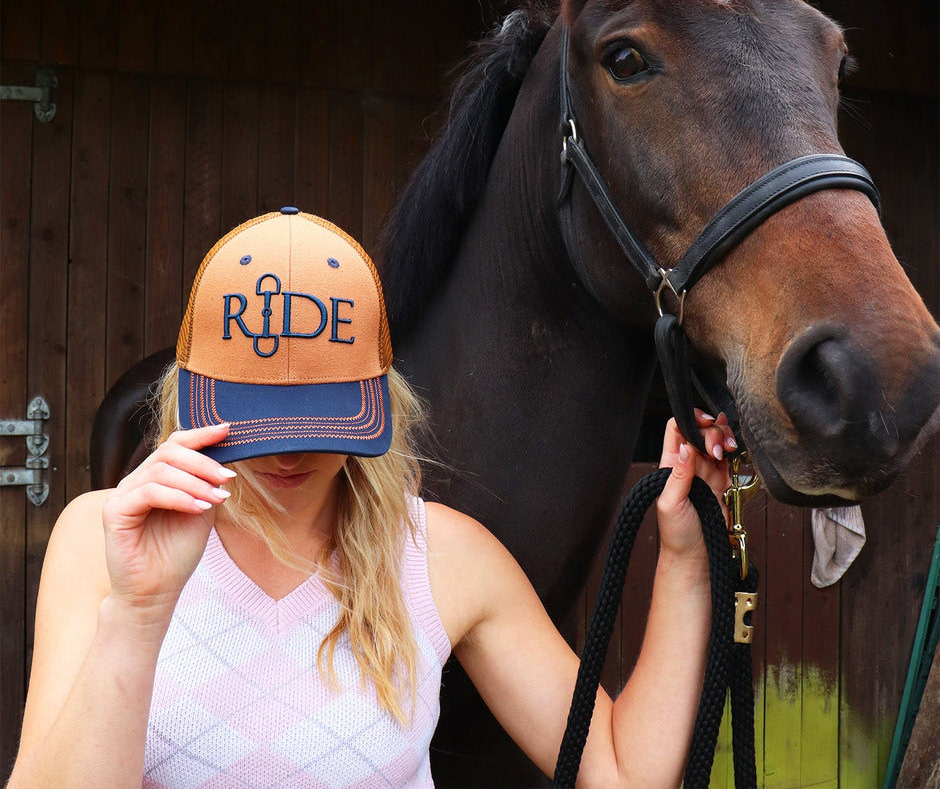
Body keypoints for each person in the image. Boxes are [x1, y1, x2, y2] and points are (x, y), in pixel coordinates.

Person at [8, 208, 736, 788]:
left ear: (379, 398)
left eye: (318, 418)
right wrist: (137, 614)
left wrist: (684, 559)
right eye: (260, 420)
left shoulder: (445, 558)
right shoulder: (98, 540)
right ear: (191, 391)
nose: (289, 452)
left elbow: (619, 771)